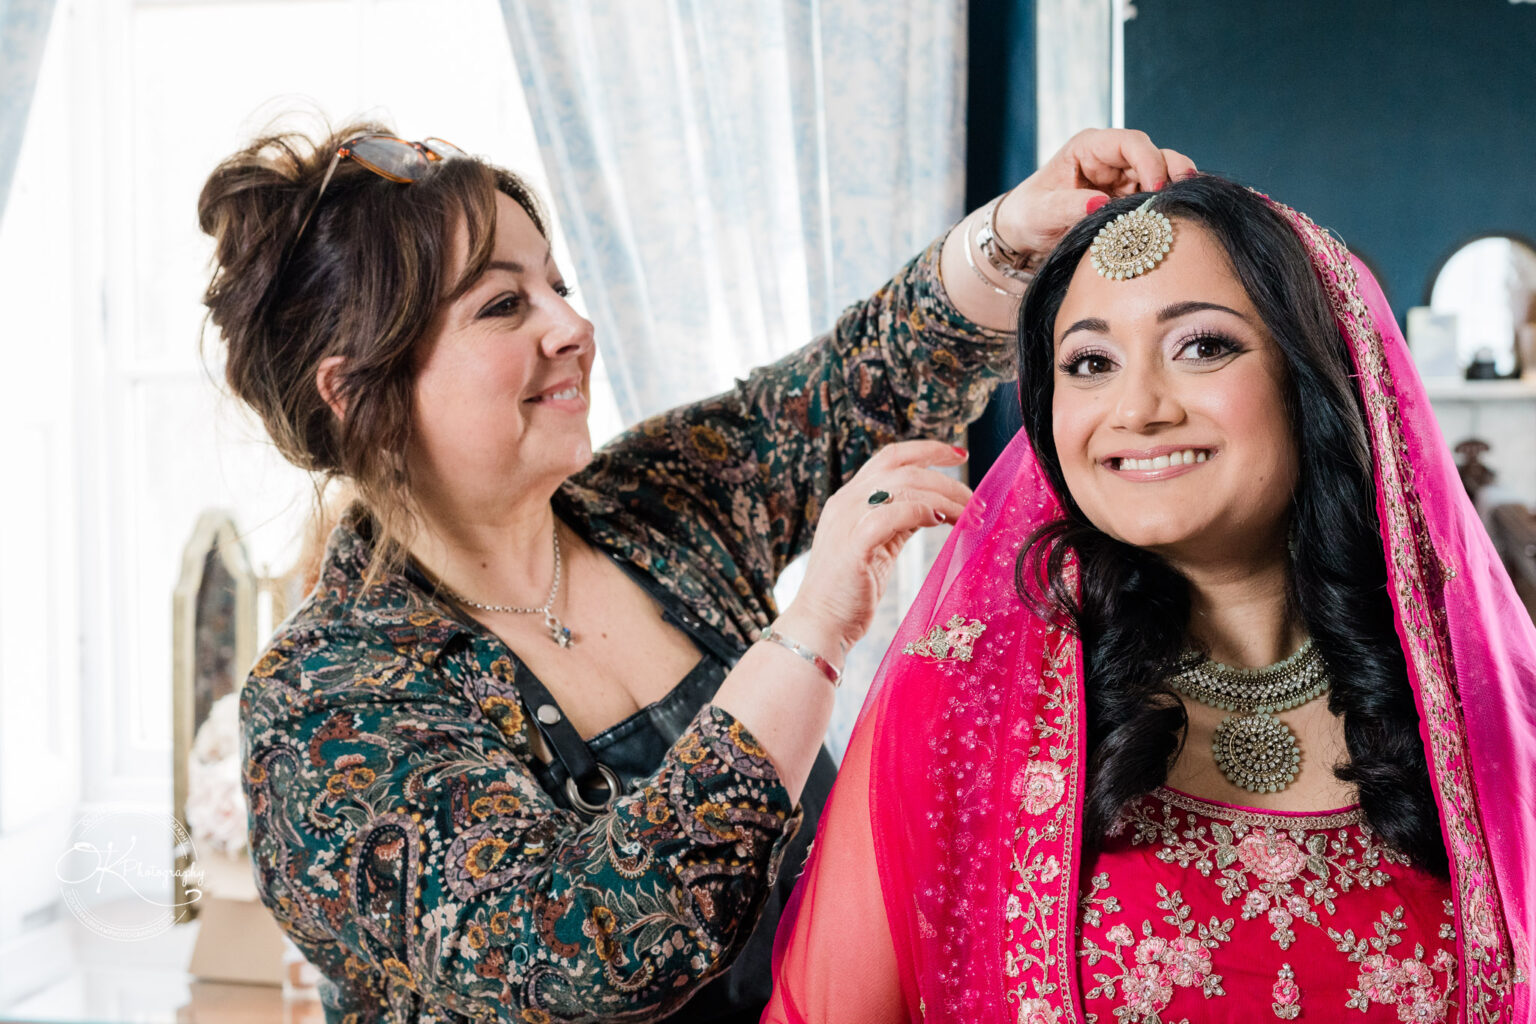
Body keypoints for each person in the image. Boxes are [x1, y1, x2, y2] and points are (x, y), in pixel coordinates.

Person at [201, 123, 1194, 1021]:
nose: (570, 327)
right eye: (505, 304)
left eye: (560, 286)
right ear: (352, 390)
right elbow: (587, 945)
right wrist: (811, 632)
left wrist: (1014, 234)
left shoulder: (652, 503)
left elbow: (857, 386)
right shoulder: (323, 705)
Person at [764, 176, 1536, 1022]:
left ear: (1312, 375)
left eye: (1202, 347)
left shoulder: (1476, 711)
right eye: (1090, 363)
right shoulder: (963, 703)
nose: (1137, 409)